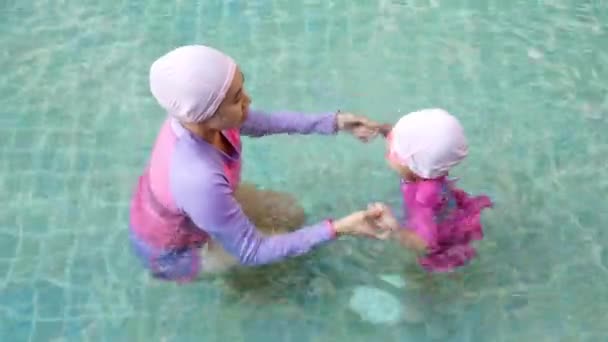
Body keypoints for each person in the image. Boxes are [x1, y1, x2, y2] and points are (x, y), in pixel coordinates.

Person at [128, 44, 394, 283]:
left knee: (290, 214)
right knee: (280, 268)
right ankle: (247, 296)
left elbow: (266, 122)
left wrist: (336, 122)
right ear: (205, 115)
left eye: (241, 88)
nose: (248, 100)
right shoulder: (199, 179)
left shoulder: (204, 120)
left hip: (194, 210)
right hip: (177, 252)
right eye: (236, 99)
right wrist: (341, 228)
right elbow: (253, 251)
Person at [379, 108, 493, 273]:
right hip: (450, 215)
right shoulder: (431, 171)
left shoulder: (422, 200)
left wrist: (394, 229)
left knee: (416, 279)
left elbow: (425, 245)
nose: (388, 147)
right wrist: (379, 128)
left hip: (443, 247)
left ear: (412, 165)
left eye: (392, 151)